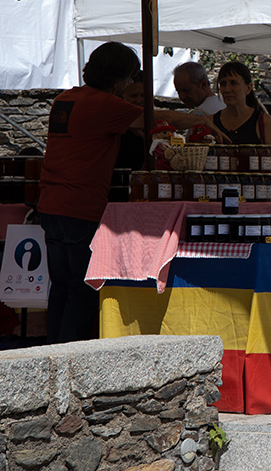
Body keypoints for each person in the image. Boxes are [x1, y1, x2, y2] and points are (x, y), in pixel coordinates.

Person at [39, 43, 227, 344]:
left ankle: (50, 353)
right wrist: (200, 120)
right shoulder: (103, 104)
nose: (129, 84)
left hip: (50, 204)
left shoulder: (65, 99)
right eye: (128, 79)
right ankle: (67, 360)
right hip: (80, 207)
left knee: (60, 286)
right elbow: (152, 116)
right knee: (80, 289)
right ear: (116, 78)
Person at [211, 61, 271, 170]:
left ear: (248, 88)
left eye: (233, 83)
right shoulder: (211, 121)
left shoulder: (263, 122)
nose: (227, 89)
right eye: (223, 84)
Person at [114, 72, 147, 171]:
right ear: (122, 96)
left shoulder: (154, 125)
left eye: (143, 95)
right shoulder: (115, 124)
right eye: (133, 96)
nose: (139, 100)